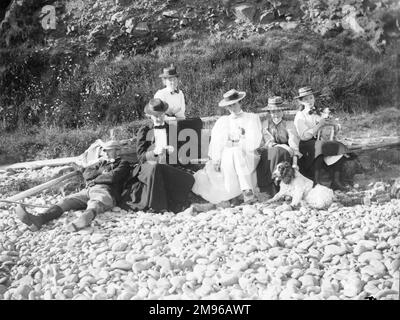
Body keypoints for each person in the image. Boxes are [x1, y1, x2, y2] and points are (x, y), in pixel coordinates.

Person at [15, 141, 131, 231]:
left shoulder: (123, 163)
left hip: (106, 190)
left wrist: (96, 178)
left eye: (108, 151)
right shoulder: (102, 163)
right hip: (88, 189)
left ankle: (84, 219)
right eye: (104, 151)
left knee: (96, 202)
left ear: (117, 151)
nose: (104, 153)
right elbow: (87, 174)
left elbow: (112, 177)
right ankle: (40, 219)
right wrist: (101, 173)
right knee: (66, 201)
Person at [192, 89, 262, 204]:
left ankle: (245, 192)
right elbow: (216, 143)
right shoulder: (223, 121)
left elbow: (254, 142)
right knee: (232, 153)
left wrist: (239, 144)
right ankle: (244, 192)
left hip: (247, 154)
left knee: (236, 152)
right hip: (228, 156)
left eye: (234, 104)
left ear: (240, 103)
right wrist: (216, 159)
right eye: (229, 106)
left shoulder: (251, 118)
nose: (232, 109)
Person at [125, 98, 195, 212]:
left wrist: (174, 152)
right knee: (156, 168)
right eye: (156, 116)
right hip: (148, 167)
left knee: (188, 178)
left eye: (161, 115)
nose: (159, 118)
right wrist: (155, 152)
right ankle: (158, 207)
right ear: (150, 116)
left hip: (167, 165)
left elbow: (180, 156)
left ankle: (174, 206)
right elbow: (141, 158)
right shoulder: (145, 130)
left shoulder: (171, 129)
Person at [293, 86, 348, 190]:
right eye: (305, 99)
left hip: (320, 141)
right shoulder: (300, 115)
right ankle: (316, 182)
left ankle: (336, 181)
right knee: (320, 146)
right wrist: (319, 125)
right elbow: (304, 136)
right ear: (301, 102)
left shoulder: (319, 113)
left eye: (311, 98)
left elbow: (330, 130)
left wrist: (333, 124)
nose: (309, 101)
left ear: (314, 98)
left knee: (338, 146)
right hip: (306, 143)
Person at [256, 96, 302, 195]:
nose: (276, 114)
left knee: (280, 153)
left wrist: (295, 162)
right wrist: (279, 146)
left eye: (278, 111)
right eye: (273, 112)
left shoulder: (289, 124)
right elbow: (268, 142)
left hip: (285, 152)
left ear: (283, 111)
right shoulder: (265, 124)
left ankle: (283, 187)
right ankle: (269, 188)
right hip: (270, 149)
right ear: (269, 113)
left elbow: (293, 144)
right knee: (274, 152)